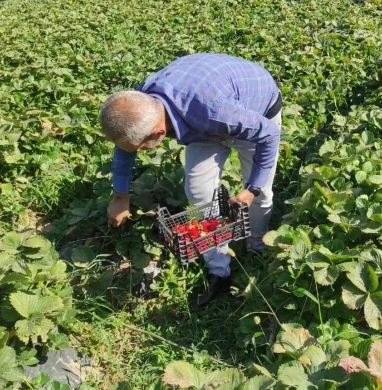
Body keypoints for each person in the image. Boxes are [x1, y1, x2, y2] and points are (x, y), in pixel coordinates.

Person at [99, 53, 282, 308]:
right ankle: (220, 272)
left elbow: (269, 134)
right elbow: (125, 145)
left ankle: (256, 247)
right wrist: (120, 197)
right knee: (197, 191)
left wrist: (252, 189)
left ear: (159, 134)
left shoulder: (217, 111)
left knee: (261, 196)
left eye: (142, 148)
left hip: (256, 111)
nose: (138, 152)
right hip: (205, 117)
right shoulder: (141, 104)